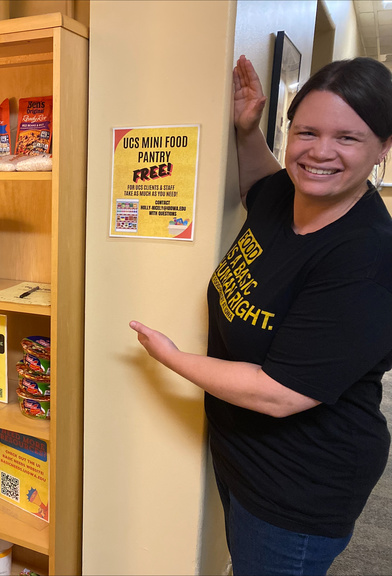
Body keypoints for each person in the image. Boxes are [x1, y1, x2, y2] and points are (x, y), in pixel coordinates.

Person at [130, 54, 392, 576]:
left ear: (383, 148)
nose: (320, 152)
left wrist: (171, 357)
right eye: (307, 131)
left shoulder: (368, 258)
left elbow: (278, 393)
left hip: (300, 486)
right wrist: (246, 130)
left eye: (348, 138)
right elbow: (259, 182)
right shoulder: (286, 196)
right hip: (244, 458)